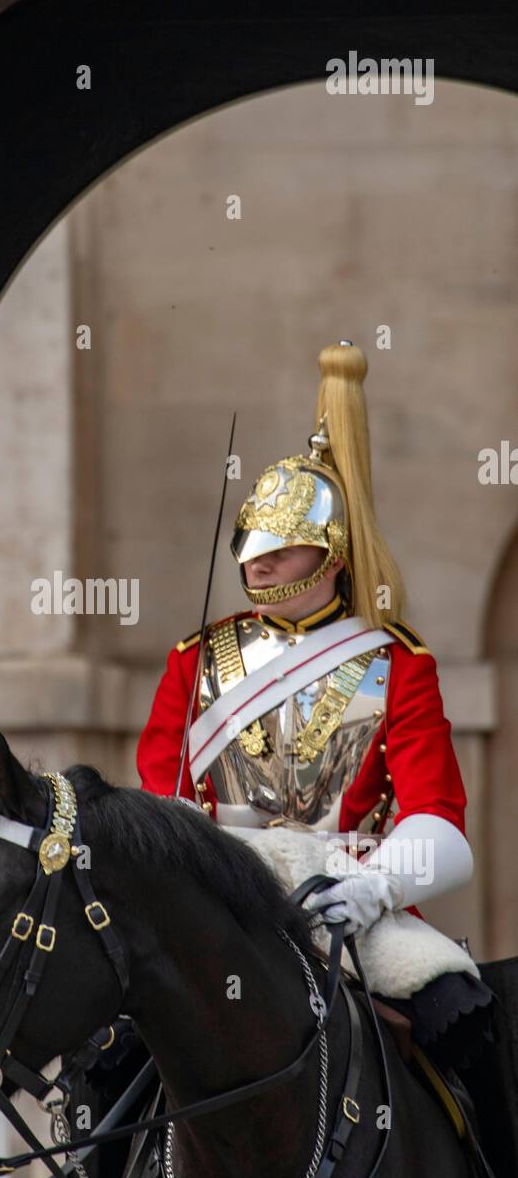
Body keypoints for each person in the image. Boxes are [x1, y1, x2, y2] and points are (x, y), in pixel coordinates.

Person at [137, 340, 495, 1076]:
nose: (256, 562)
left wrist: (375, 889)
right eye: (252, 545)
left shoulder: (396, 663)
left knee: (465, 1022)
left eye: (283, 546)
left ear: (330, 557)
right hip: (221, 904)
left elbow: (438, 821)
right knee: (108, 1051)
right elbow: (160, 806)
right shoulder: (194, 659)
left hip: (354, 905)